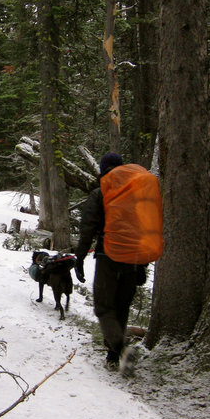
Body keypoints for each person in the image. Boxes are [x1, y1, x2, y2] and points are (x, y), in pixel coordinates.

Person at [74, 152, 152, 371]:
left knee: (104, 307)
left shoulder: (100, 194)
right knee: (122, 306)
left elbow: (87, 228)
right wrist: (142, 263)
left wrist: (78, 259)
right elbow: (145, 229)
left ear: (102, 169)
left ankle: (120, 346)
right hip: (132, 259)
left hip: (107, 256)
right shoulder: (136, 195)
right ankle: (112, 355)